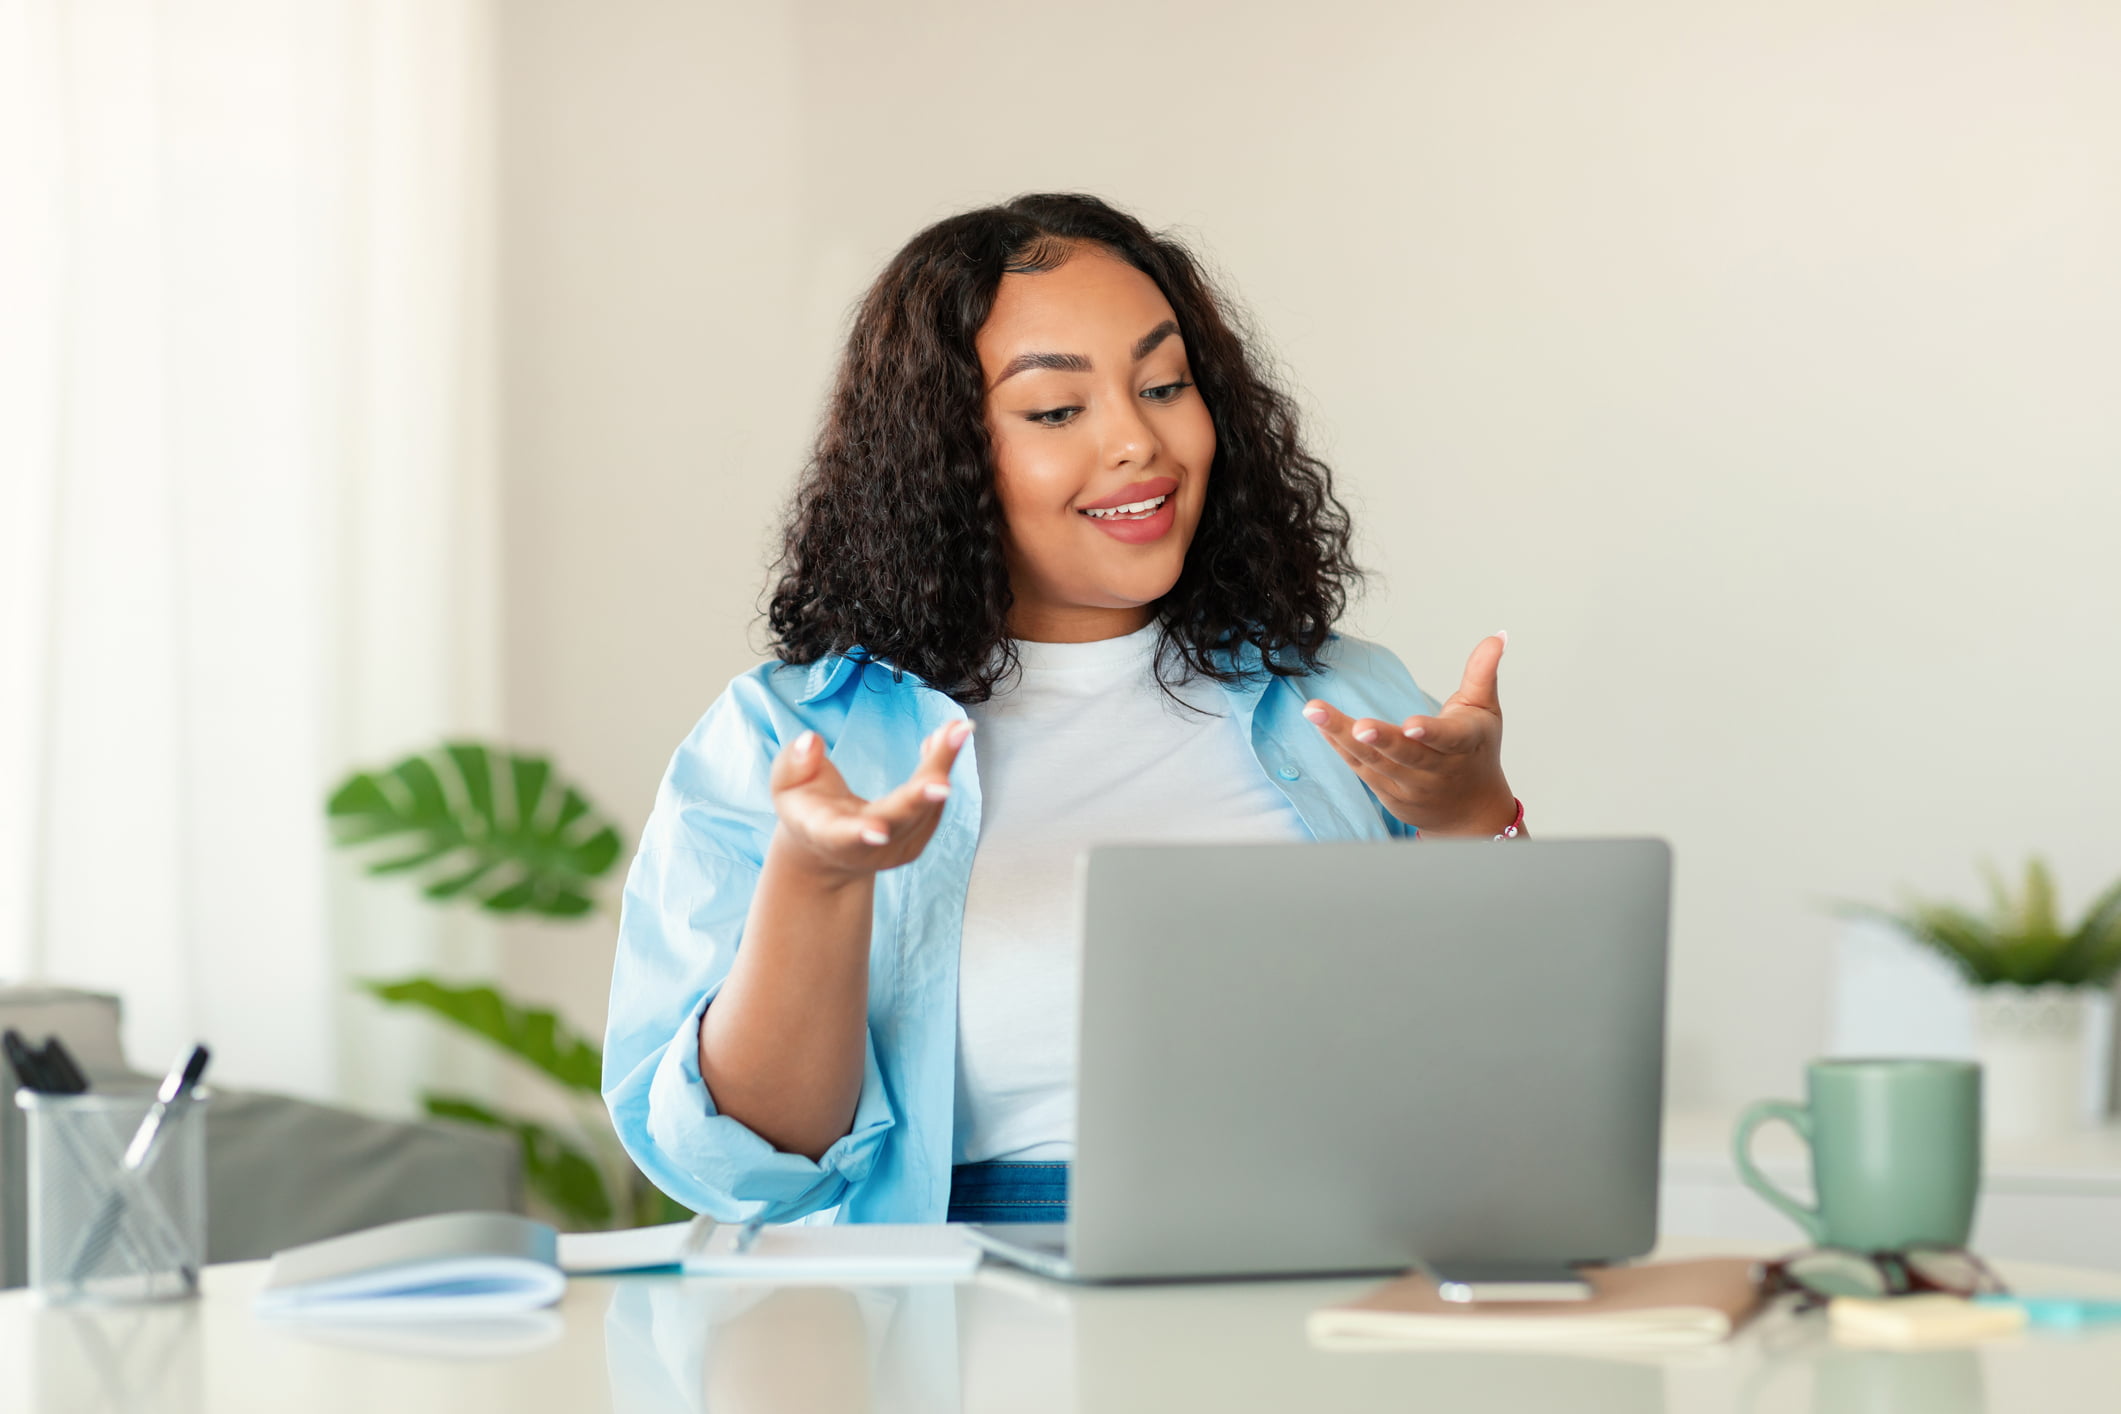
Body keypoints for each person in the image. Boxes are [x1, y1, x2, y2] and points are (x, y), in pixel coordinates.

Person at [604, 193, 1523, 1226]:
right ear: (940, 457)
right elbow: (746, 1168)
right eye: (1056, 411)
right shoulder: (790, 737)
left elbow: (1517, 1072)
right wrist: (818, 880)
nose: (1140, 441)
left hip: (1327, 1284)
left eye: (1165, 385)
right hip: (958, 1326)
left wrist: (1474, 816)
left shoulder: (1341, 693)